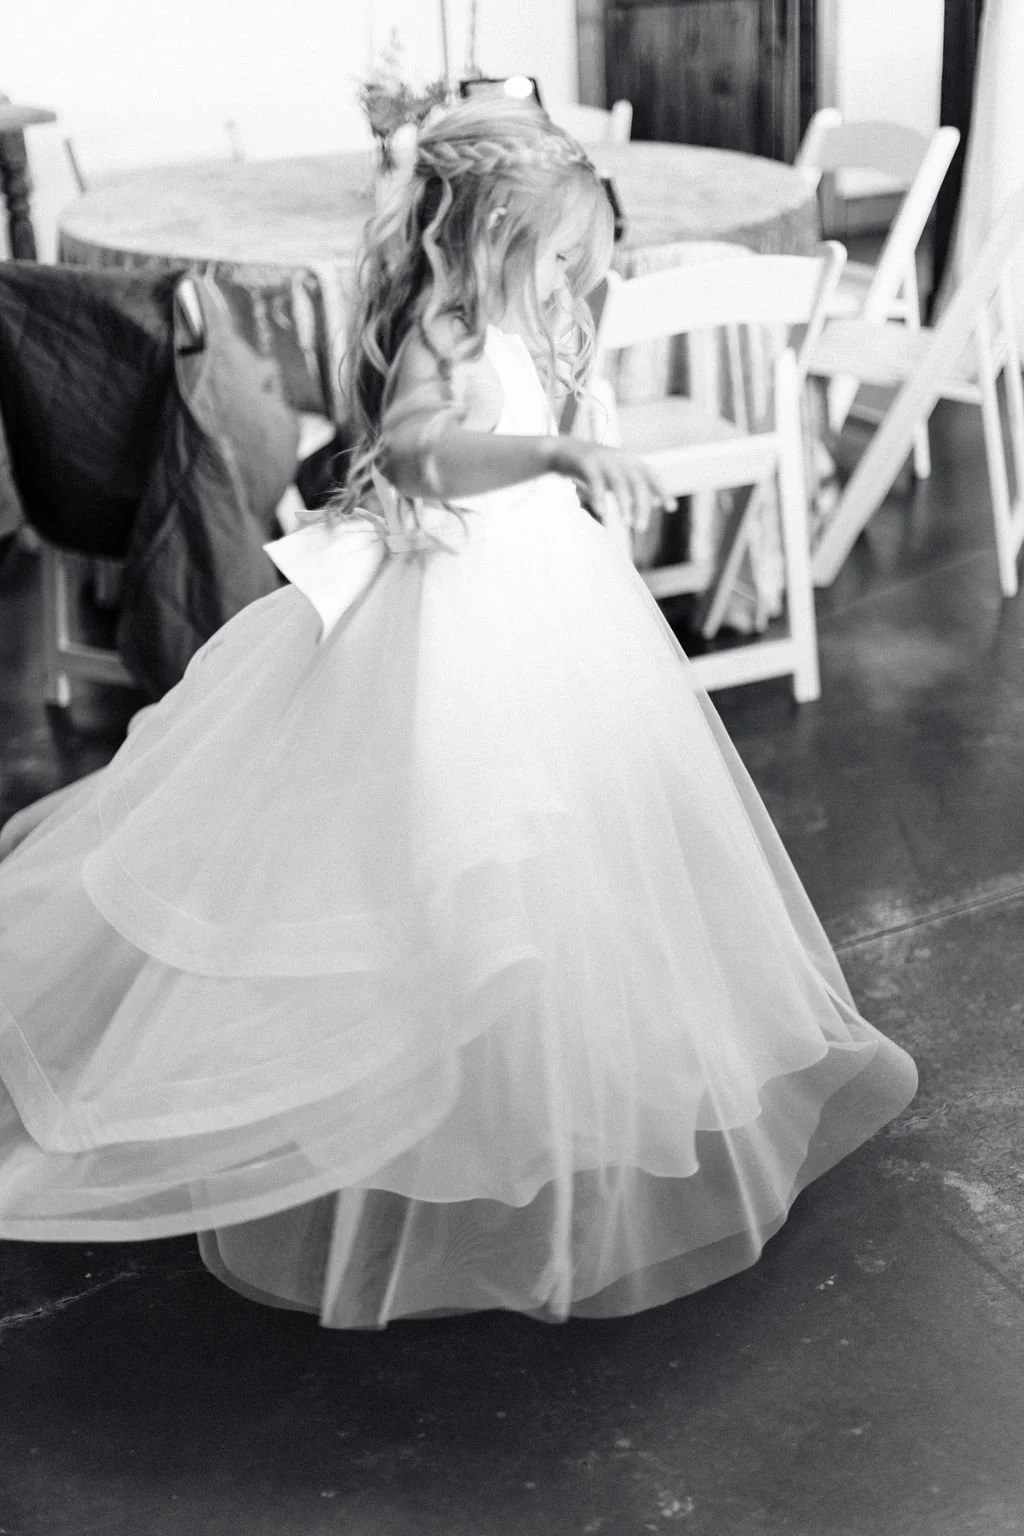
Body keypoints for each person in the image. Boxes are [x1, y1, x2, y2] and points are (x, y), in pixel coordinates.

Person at [0, 100, 917, 1326]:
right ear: (485, 240)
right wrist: (554, 460)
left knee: (567, 834)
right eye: (556, 260)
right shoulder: (442, 327)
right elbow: (426, 453)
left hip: (550, 592)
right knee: (436, 833)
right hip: (459, 604)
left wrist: (566, 433)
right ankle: (407, 1071)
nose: (574, 284)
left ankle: (540, 1064)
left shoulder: (525, 315)